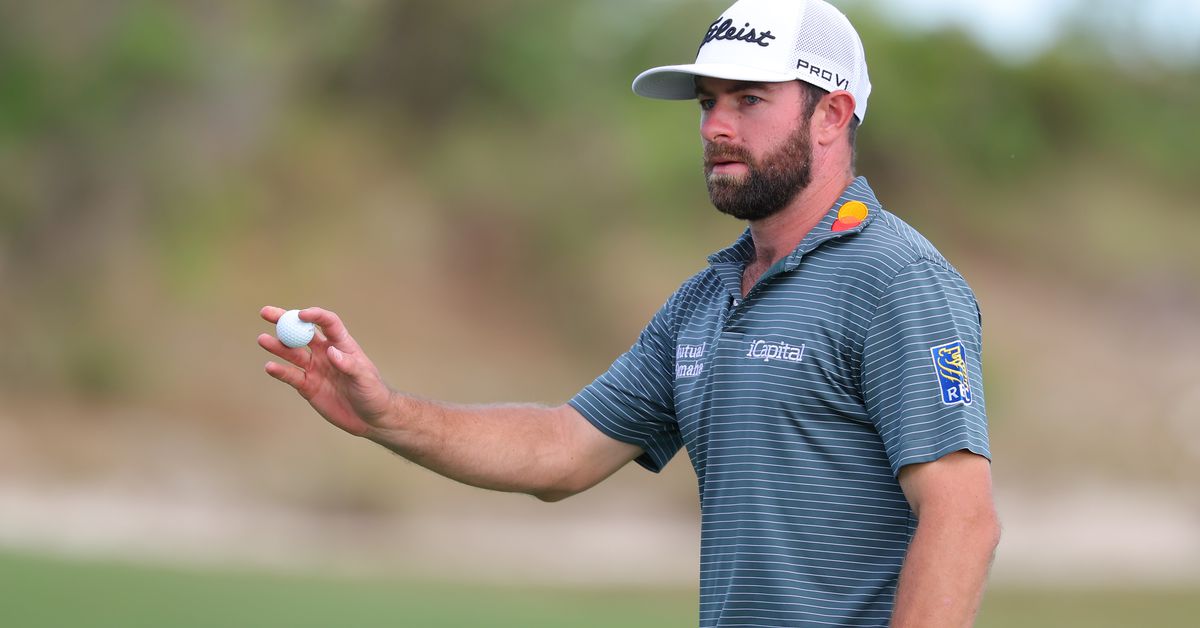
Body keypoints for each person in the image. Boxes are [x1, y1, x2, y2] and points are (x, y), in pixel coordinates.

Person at [257, 0, 1000, 625]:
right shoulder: (708, 298)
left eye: (748, 99)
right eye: (708, 102)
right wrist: (387, 415)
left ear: (832, 113)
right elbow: (561, 450)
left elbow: (963, 520)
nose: (715, 126)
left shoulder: (896, 280)